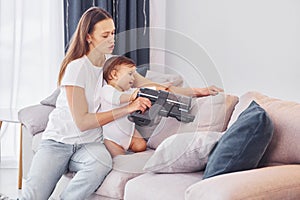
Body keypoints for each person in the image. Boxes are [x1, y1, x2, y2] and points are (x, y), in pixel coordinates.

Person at [16, 6, 222, 200]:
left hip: (89, 144)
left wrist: (198, 91)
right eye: (105, 35)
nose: (112, 39)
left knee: (101, 162)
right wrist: (128, 108)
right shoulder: (77, 69)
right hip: (58, 142)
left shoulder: (112, 65)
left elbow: (154, 86)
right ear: (88, 37)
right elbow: (83, 122)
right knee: (34, 195)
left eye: (113, 33)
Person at [100, 56, 147, 157]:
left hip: (129, 132)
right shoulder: (107, 90)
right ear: (114, 74)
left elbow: (141, 92)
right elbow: (117, 98)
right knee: (119, 158)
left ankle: (130, 147)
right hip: (111, 139)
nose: (133, 78)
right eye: (130, 74)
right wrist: (132, 96)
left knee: (141, 146)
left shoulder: (128, 91)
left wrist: (161, 87)